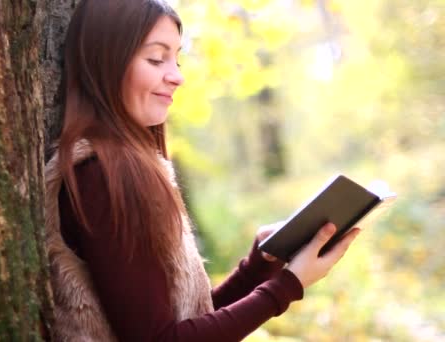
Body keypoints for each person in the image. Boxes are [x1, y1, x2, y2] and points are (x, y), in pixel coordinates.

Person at [44, 0, 361, 341]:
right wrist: (288, 285)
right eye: (156, 58)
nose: (177, 76)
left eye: (176, 58)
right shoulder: (103, 175)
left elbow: (187, 322)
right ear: (105, 62)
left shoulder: (126, 167)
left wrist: (258, 266)